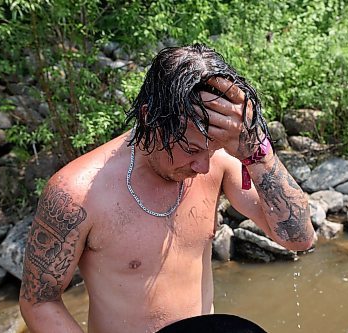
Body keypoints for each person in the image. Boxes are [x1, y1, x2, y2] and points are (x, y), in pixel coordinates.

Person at [19, 43, 315, 333]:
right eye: (191, 148)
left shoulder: (221, 161)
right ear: (150, 118)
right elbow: (39, 301)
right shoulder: (76, 194)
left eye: (212, 150)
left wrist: (258, 153)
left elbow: (298, 238)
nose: (203, 167)